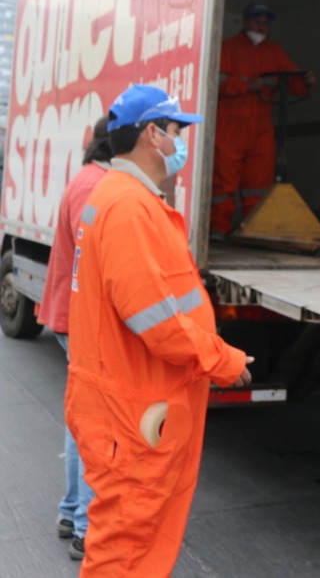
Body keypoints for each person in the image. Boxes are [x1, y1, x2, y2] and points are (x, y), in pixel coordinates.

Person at [65, 84, 253, 576]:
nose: (180, 142)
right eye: (176, 131)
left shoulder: (124, 199)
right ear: (152, 134)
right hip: (134, 414)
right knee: (125, 549)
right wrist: (223, 360)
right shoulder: (128, 207)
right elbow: (157, 321)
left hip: (134, 407)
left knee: (136, 544)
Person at [37, 116, 112, 561]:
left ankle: (70, 512)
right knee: (94, 428)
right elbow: (91, 266)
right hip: (82, 321)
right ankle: (85, 525)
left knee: (79, 423)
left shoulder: (88, 179)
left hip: (73, 317)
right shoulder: (94, 187)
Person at [211, 2, 314, 236]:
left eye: (265, 23)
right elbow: (214, 82)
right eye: (257, 22)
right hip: (230, 127)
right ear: (245, 22)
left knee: (257, 186)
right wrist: (247, 85)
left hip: (260, 129)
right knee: (224, 184)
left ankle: (252, 230)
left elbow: (292, 80)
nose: (261, 27)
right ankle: (218, 229)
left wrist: (305, 80)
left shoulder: (273, 52)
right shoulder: (228, 48)